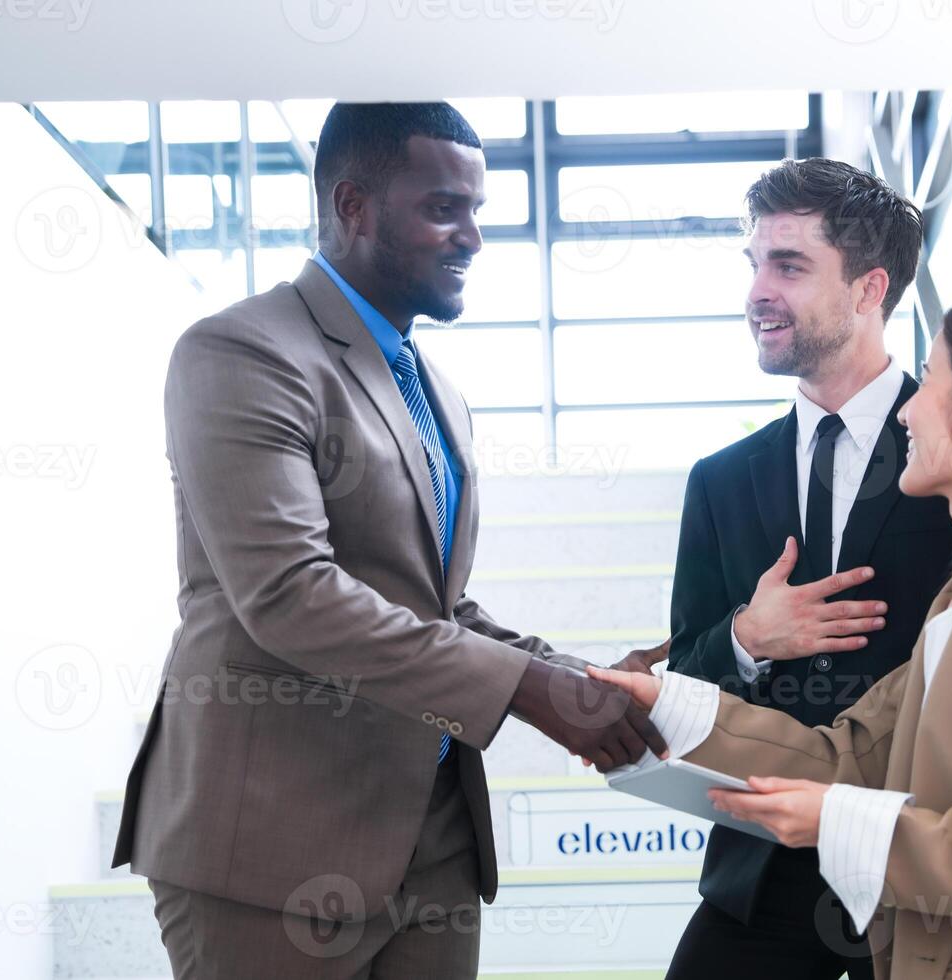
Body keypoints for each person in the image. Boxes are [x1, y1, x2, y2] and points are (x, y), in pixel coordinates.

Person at [112, 101, 665, 979]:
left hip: (432, 833)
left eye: (478, 210)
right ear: (353, 205)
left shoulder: (433, 385)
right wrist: (531, 690)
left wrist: (573, 678)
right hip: (272, 845)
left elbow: (435, 604)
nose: (474, 238)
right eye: (445, 208)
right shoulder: (241, 353)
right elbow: (291, 596)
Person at [594, 291, 952, 980]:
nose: (907, 408)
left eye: (932, 378)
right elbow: (848, 757)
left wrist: (838, 823)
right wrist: (665, 705)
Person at [640, 158, 952, 979]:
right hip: (764, 873)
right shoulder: (720, 481)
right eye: (754, 265)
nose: (757, 292)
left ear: (867, 289)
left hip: (917, 869)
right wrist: (748, 637)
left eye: (788, 265)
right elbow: (688, 674)